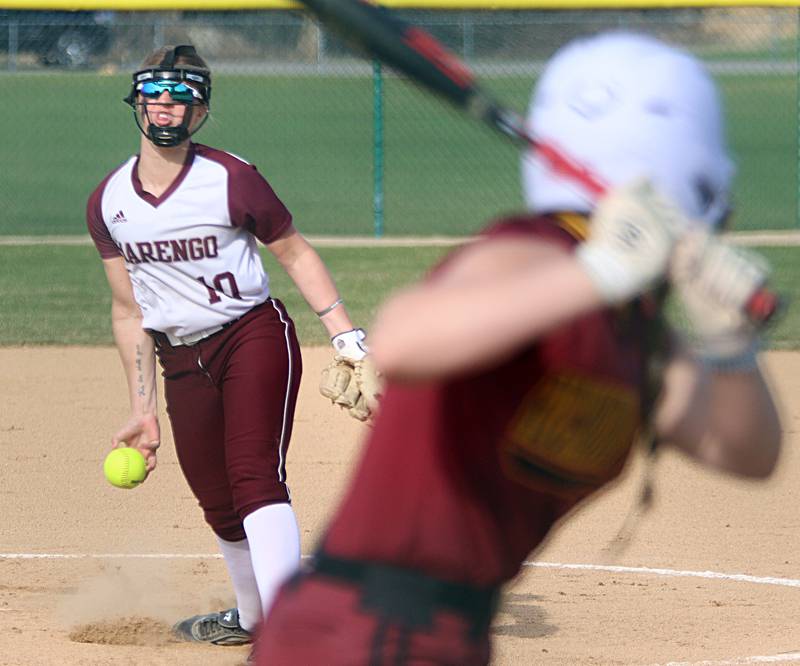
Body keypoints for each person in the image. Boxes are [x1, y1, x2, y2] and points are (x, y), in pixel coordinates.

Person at [255, 32, 783, 665]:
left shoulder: (632, 331)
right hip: (364, 631)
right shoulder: (536, 252)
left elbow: (747, 452)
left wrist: (728, 344)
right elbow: (402, 339)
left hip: (441, 634)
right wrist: (601, 269)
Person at [86, 44, 374, 648]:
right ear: (136, 101)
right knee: (216, 498)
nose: (167, 106)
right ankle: (252, 617)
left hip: (251, 335)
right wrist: (144, 407)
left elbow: (294, 252)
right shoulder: (109, 202)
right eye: (156, 93)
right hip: (178, 359)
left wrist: (345, 336)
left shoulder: (230, 178)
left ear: (202, 111)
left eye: (183, 95)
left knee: (254, 479)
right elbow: (128, 311)